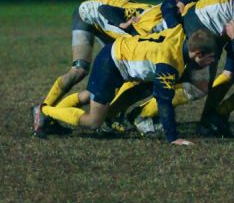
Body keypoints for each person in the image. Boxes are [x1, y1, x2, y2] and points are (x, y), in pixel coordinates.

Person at [32, 26, 217, 145]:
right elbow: (164, 101)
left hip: (118, 56)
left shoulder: (179, 33)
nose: (212, 63)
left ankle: (52, 116)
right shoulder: (169, 62)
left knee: (90, 96)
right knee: (93, 121)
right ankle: (44, 111)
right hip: (112, 65)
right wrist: (173, 138)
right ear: (198, 53)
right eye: (211, 59)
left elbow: (169, 7)